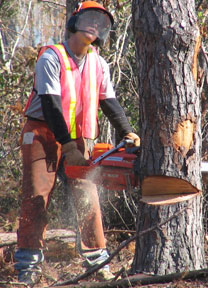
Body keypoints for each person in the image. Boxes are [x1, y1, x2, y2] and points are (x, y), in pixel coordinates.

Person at [14, 1, 140, 286]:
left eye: (100, 22)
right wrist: (67, 146)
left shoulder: (98, 62)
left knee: (87, 197)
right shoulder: (52, 57)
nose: (94, 25)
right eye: (89, 19)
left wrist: (127, 131)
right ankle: (28, 266)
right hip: (44, 134)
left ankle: (98, 262)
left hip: (80, 139)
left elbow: (109, 102)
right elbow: (51, 105)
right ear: (75, 22)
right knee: (36, 197)